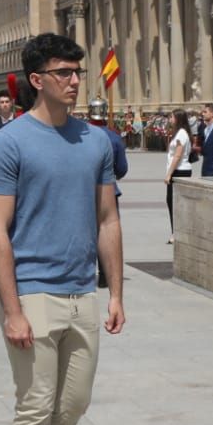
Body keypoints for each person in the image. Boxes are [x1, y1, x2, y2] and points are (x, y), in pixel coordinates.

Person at [0, 34, 123, 425]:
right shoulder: (8, 144)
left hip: (82, 290)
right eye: (64, 72)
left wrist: (116, 291)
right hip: (33, 291)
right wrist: (12, 309)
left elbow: (108, 219)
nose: (75, 80)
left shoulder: (95, 142)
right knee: (36, 406)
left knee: (74, 404)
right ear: (37, 80)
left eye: (78, 72)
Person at [85, 97, 129, 289]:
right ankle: (105, 274)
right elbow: (122, 168)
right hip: (108, 189)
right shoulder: (114, 137)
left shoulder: (80, 134)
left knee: (85, 231)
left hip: (83, 189)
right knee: (108, 229)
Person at [162, 109, 193, 244]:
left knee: (174, 202)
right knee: (173, 202)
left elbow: (178, 155)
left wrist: (169, 174)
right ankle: (176, 231)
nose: (170, 119)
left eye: (172, 117)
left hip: (180, 170)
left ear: (178, 119)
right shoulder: (180, 133)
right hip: (180, 170)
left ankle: (176, 233)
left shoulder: (181, 134)